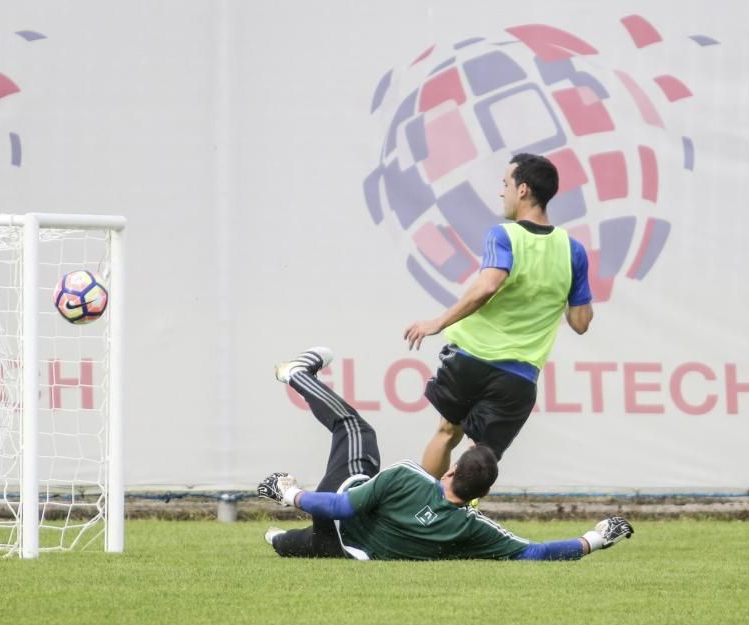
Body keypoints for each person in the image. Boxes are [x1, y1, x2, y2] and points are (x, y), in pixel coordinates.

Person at [259, 347, 633, 561]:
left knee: (355, 429)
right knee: (303, 542)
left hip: (336, 510)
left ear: (451, 472)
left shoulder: (408, 476)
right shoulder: (472, 527)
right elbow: (533, 554)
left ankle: (297, 373)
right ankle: (278, 540)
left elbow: (341, 508)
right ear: (481, 495)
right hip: (348, 550)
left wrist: (288, 493)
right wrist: (596, 539)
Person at [403, 153, 594, 479]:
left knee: (447, 432)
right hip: (518, 374)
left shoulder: (503, 235)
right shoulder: (572, 250)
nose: (501, 192)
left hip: (470, 359)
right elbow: (580, 323)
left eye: (505, 184)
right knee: (481, 457)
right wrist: (560, 281)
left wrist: (437, 322)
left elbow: (488, 286)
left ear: (523, 190)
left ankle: (420, 511)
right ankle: (457, 520)